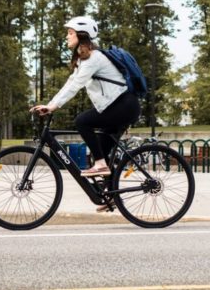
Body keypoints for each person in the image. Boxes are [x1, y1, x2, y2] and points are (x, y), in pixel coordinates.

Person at [30, 16, 141, 178]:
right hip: (119, 107)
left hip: (124, 106)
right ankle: (109, 196)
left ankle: (101, 165)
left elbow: (76, 86)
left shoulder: (93, 58)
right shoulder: (85, 60)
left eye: (70, 33)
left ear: (81, 35)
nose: (67, 36)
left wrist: (53, 107)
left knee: (82, 121)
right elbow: (71, 82)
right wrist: (51, 104)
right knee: (99, 153)